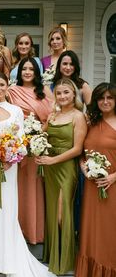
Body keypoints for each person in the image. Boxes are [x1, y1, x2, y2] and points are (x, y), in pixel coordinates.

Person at [0, 72, 96, 277]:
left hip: (9, 167)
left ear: (8, 87)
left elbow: (21, 141)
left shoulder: (16, 111)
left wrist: (7, 158)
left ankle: (8, 254)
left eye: (2, 84)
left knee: (6, 210)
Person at [35, 78, 87, 275]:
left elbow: (77, 149)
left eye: (66, 92)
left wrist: (52, 160)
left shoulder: (78, 117)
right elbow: (41, 136)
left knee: (61, 211)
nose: (62, 96)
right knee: (51, 210)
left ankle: (64, 260)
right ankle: (52, 256)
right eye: (59, 93)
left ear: (74, 94)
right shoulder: (52, 115)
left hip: (65, 168)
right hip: (49, 169)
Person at [75, 82, 116, 277]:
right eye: (101, 98)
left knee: (110, 237)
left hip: (112, 188)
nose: (105, 102)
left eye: (110, 98)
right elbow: (82, 152)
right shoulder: (91, 122)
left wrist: (112, 177)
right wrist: (85, 169)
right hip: (92, 187)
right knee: (92, 234)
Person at [8, 57, 53, 244]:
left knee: (35, 187)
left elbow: (51, 119)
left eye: (31, 69)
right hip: (18, 146)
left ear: (36, 72)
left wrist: (37, 136)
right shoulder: (12, 91)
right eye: (24, 69)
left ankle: (35, 232)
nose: (27, 72)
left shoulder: (45, 93)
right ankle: (18, 231)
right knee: (18, 188)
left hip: (37, 146)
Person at [52, 50, 92, 235]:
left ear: (75, 66)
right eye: (64, 64)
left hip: (75, 135)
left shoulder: (83, 86)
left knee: (72, 197)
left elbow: (91, 113)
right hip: (57, 135)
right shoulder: (52, 85)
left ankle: (73, 233)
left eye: (71, 64)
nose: (67, 67)